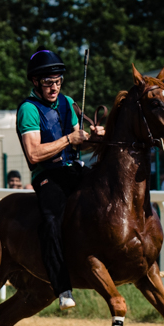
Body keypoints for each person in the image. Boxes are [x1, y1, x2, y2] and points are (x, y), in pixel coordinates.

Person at [16, 49, 100, 308]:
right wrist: (68, 140)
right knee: (52, 221)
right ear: (35, 82)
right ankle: (63, 288)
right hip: (47, 175)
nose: (54, 87)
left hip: (73, 169)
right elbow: (33, 154)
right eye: (48, 82)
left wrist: (94, 137)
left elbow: (79, 142)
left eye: (57, 81)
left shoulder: (68, 102)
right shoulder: (28, 109)